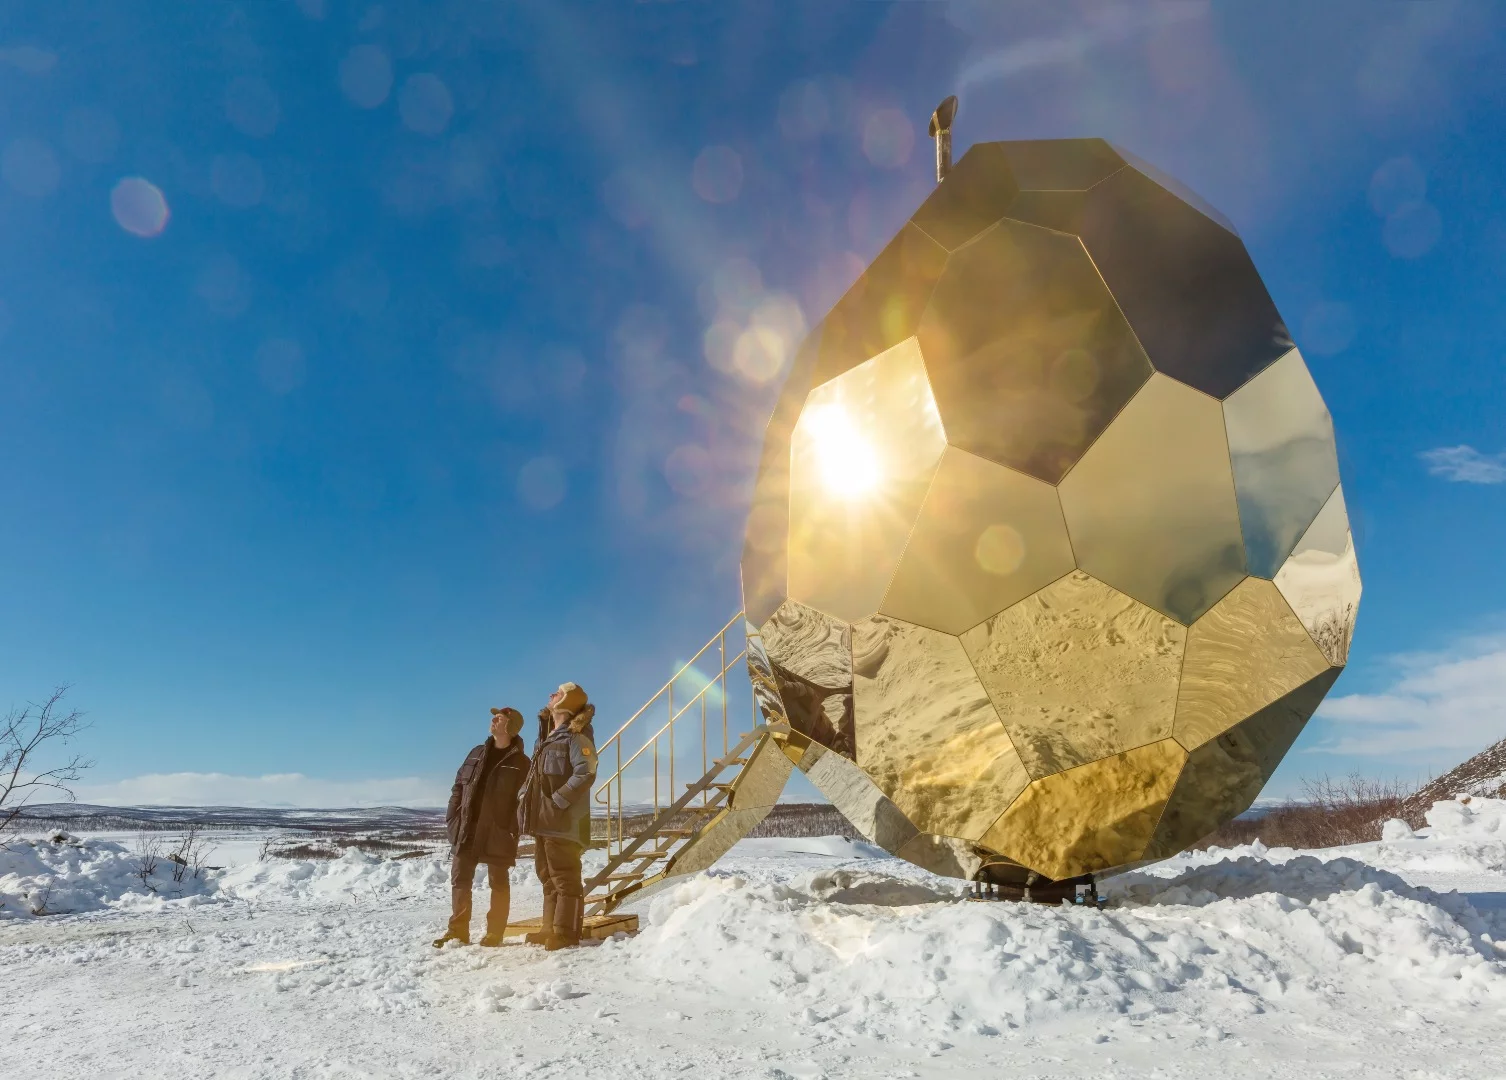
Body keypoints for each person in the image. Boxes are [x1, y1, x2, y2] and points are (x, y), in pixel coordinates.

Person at [433, 706, 529, 948]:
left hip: (499, 831)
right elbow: (458, 786)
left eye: (500, 718)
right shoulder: (476, 753)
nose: (494, 720)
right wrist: (452, 817)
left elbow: (524, 800)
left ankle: (495, 933)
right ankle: (457, 932)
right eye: (494, 717)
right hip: (468, 827)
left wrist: (512, 828)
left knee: (499, 883)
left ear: (511, 726)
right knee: (460, 880)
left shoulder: (521, 763)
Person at [518, 681, 597, 950]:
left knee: (565, 877)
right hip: (543, 821)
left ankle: (566, 932)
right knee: (547, 876)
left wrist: (557, 802)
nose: (552, 695)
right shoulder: (546, 739)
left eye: (559, 693)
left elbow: (586, 772)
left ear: (567, 703)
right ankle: (549, 929)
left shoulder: (576, 736)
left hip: (563, 821)